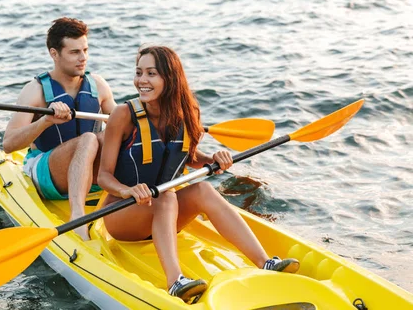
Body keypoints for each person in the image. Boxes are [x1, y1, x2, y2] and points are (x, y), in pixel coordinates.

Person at [97, 45, 299, 302]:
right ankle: (175, 282)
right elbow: (104, 176)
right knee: (168, 197)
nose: (142, 81)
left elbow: (185, 155)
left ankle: (265, 262)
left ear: (170, 78)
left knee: (202, 189)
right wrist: (127, 191)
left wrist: (213, 158)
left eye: (151, 73)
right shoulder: (123, 115)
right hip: (123, 215)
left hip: (163, 213)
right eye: (139, 72)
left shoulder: (187, 112)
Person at [4, 17, 116, 241]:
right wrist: (45, 121)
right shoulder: (35, 91)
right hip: (46, 169)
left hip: (86, 165)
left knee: (113, 134)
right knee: (89, 139)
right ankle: (78, 216)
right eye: (74, 52)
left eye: (85, 49)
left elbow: (119, 127)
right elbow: (8, 145)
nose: (83, 58)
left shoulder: (98, 84)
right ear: (54, 54)